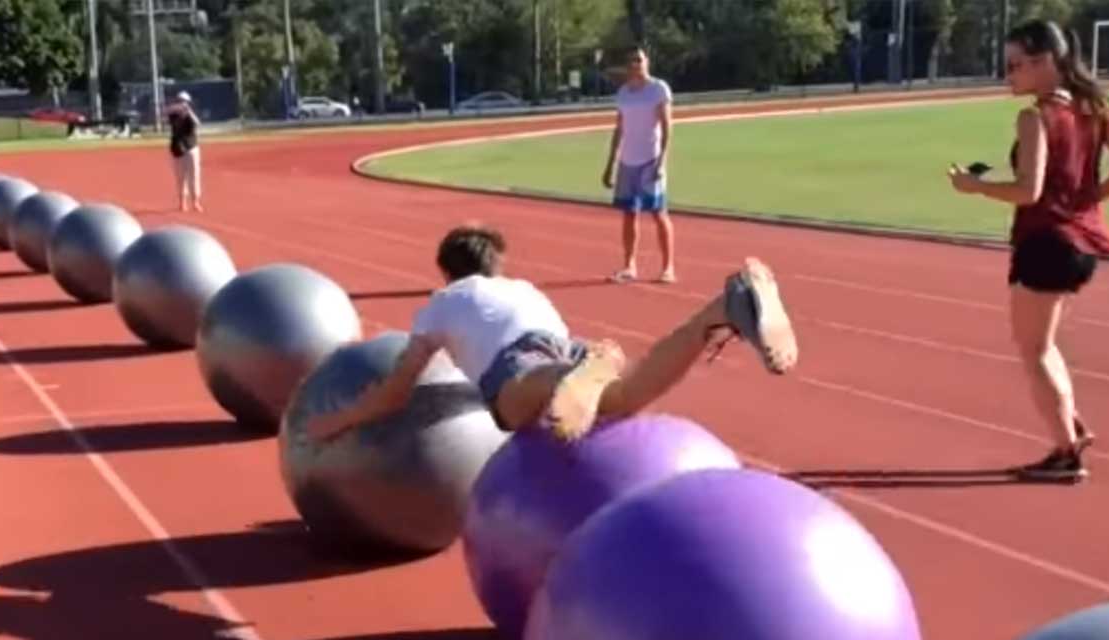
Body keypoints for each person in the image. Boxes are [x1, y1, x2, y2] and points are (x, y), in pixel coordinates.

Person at [305, 224, 796, 446]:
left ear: (447, 273)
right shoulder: (521, 288)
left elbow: (397, 389)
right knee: (624, 396)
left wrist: (341, 420)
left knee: (515, 406)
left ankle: (572, 376)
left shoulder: (443, 302)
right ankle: (720, 309)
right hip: (563, 342)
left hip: (527, 365)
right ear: (496, 264)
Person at [947, 19, 1109, 483]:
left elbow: (1028, 191)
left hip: (1046, 242)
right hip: (1082, 242)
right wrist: (1091, 199)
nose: (1009, 75)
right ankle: (1070, 423)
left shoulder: (1036, 116)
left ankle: (1066, 453)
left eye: (1016, 65)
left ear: (1044, 63)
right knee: (1043, 344)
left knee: (1033, 350)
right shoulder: (1095, 107)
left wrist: (974, 186)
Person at [601, 47, 677, 284]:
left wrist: (662, 161)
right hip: (628, 161)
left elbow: (667, 128)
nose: (636, 64)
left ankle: (668, 267)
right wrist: (611, 163)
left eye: (640, 59)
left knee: (658, 213)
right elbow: (619, 128)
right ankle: (629, 265)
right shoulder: (623, 93)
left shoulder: (658, 89)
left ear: (647, 62)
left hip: (650, 160)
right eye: (632, 60)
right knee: (629, 214)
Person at [166, 91, 202, 212]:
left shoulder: (190, 115)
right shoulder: (173, 115)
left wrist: (188, 111)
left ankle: (195, 201)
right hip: (177, 148)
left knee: (194, 176)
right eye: (179, 100)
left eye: (184, 101)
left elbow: (197, 123)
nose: (181, 103)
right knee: (180, 177)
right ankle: (182, 202)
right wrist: (177, 109)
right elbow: (167, 112)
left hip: (191, 147)